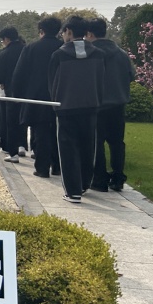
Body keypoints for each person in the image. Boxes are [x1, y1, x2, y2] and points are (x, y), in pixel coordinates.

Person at [49, 16, 106, 203]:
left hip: (65, 107)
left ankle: (73, 191)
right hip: (91, 106)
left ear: (69, 31)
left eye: (64, 32)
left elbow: (52, 83)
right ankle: (83, 184)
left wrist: (55, 102)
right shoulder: (98, 54)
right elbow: (101, 81)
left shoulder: (59, 55)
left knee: (68, 149)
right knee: (88, 146)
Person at [86, 17, 135, 192]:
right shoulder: (121, 54)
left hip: (97, 104)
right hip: (118, 104)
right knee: (117, 142)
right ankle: (118, 177)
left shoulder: (90, 53)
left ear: (89, 33)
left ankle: (99, 179)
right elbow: (131, 75)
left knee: (96, 142)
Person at [11, 17, 63, 178]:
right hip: (60, 95)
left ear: (41, 30)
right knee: (58, 132)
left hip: (37, 96)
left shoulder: (31, 48)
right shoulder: (63, 47)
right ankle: (57, 166)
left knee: (41, 132)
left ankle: (42, 168)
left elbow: (19, 73)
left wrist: (17, 95)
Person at [0, 27, 27, 162]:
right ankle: (22, 145)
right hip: (26, 91)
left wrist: (1, 82)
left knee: (11, 121)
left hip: (11, 91)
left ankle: (13, 152)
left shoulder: (5, 53)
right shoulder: (26, 49)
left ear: (6, 39)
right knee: (23, 119)